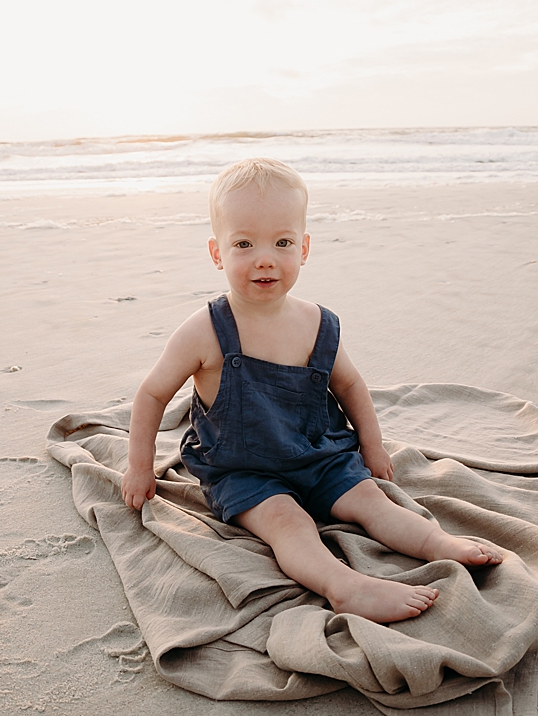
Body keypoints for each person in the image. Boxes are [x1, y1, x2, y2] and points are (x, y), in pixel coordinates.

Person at [121, 157, 500, 623]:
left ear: (303, 248)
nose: (265, 257)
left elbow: (350, 384)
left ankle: (438, 544)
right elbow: (153, 394)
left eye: (282, 242)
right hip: (245, 471)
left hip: (319, 455)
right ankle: (345, 587)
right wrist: (139, 468)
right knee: (290, 524)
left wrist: (372, 445)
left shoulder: (316, 323)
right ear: (217, 253)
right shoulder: (205, 330)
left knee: (372, 501)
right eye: (244, 243)